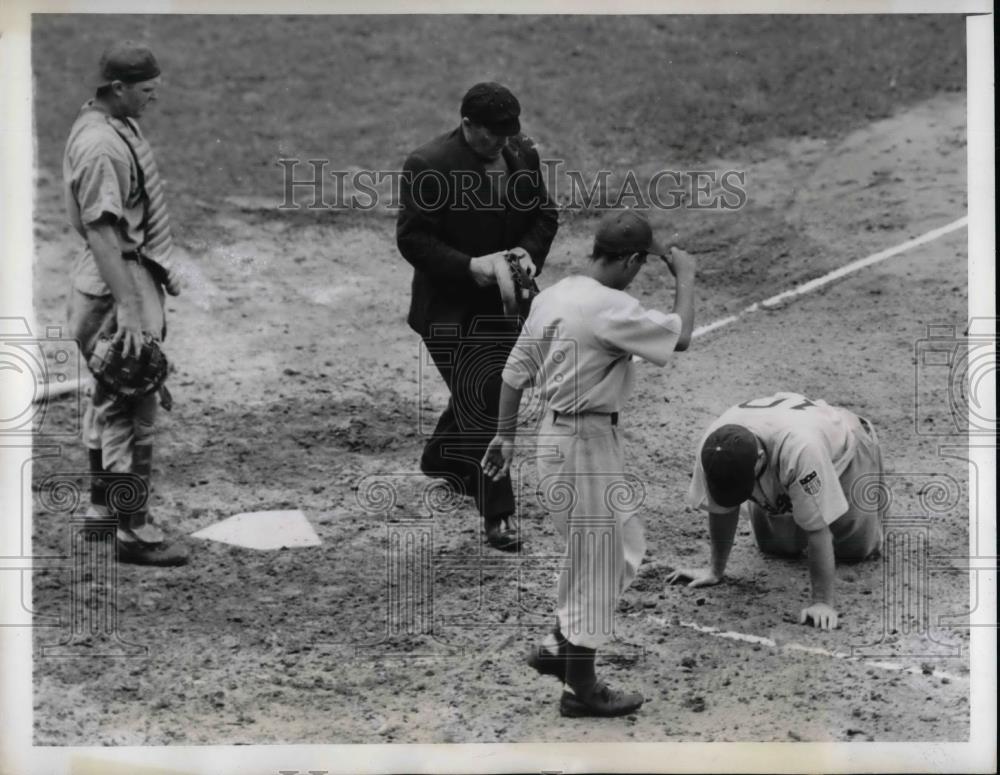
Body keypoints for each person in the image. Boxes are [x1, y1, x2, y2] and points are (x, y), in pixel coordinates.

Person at [482, 209, 697, 717]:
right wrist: (685, 277)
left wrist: (505, 436)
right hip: (586, 443)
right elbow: (681, 336)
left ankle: (561, 645)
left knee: (610, 548)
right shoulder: (611, 308)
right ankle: (581, 687)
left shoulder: (555, 295)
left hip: (555, 441)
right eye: (640, 265)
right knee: (601, 557)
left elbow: (513, 374)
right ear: (630, 261)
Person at [397, 82, 558, 552]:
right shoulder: (429, 165)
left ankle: (441, 458)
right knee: (487, 401)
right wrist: (473, 266)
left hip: (503, 309)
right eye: (493, 134)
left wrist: (525, 255)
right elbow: (413, 240)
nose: (503, 142)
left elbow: (544, 215)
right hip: (449, 311)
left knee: (482, 390)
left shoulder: (521, 153)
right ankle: (497, 514)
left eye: (509, 133)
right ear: (467, 124)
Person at [64, 41, 187, 566]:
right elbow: (101, 233)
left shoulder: (106, 121)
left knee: (108, 395)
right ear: (117, 88)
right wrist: (131, 308)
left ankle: (101, 511)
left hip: (111, 276)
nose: (153, 99)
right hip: (117, 280)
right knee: (132, 408)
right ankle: (133, 530)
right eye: (146, 90)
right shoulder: (103, 147)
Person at [667, 392, 885, 630]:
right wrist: (715, 570)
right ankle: (790, 496)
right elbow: (722, 509)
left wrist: (822, 602)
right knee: (777, 547)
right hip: (786, 447)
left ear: (759, 459)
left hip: (844, 450)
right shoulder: (713, 449)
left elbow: (818, 531)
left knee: (854, 551)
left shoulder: (802, 449)